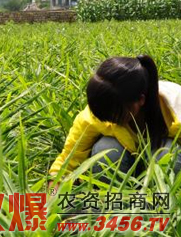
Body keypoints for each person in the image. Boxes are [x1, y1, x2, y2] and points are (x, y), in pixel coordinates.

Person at [49, 55, 181, 184]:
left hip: (159, 155)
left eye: (115, 113)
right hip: (124, 159)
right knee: (106, 148)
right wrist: (52, 193)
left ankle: (161, 200)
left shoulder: (176, 109)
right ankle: (115, 201)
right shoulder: (97, 112)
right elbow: (67, 161)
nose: (108, 119)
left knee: (168, 155)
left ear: (141, 100)